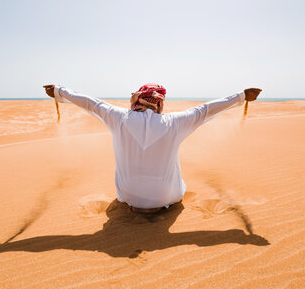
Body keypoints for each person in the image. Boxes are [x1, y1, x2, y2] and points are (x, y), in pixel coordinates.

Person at [43, 84, 261, 213]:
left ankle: (136, 196)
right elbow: (206, 110)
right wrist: (242, 96)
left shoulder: (117, 117)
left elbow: (91, 103)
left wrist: (59, 91)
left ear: (136, 101)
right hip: (167, 197)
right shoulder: (175, 122)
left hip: (127, 196)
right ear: (159, 103)